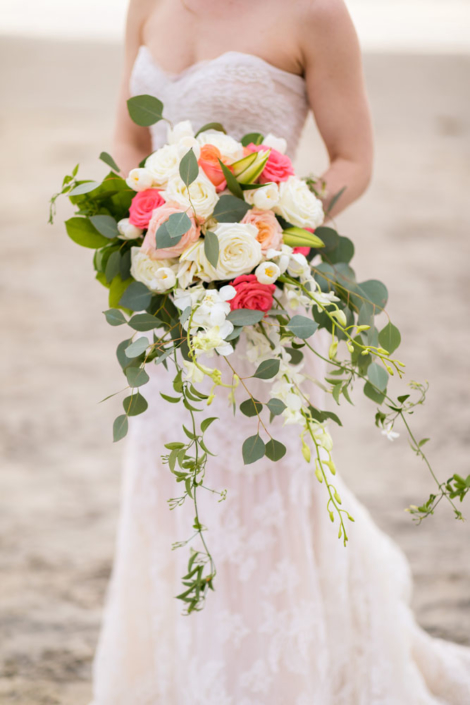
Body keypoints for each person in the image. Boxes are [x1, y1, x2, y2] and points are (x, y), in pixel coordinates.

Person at [91, 1, 470, 703]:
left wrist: (270, 225)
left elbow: (354, 159)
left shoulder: (315, 13)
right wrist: (148, 221)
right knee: (173, 491)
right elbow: (128, 138)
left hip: (263, 304)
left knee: (268, 497)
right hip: (171, 300)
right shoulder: (146, 4)